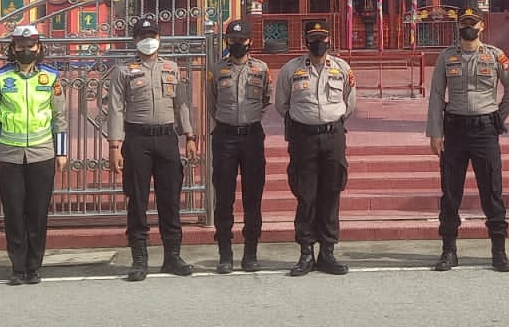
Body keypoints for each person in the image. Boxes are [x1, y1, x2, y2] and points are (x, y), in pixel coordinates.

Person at [427, 7, 509, 273]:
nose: (468, 28)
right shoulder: (447, 57)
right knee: (450, 193)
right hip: (454, 130)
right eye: (464, 23)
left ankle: (499, 251)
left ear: (481, 26)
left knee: (491, 190)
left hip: (484, 132)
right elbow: (436, 95)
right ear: (459, 28)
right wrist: (435, 132)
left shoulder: (495, 56)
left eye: (473, 23)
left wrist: (496, 117)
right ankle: (448, 251)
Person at [104, 18, 197, 282]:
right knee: (138, 201)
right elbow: (116, 109)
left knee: (170, 200)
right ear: (135, 40)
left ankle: (173, 256)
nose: (148, 40)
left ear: (159, 38)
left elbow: (182, 104)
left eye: (152, 35)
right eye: (143, 35)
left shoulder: (172, 68)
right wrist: (114, 145)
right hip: (137, 140)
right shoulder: (124, 71)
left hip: (167, 139)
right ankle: (139, 259)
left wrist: (189, 135)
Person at [0, 24, 69, 286]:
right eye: (21, 46)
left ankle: (34, 266)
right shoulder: (0, 78)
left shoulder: (51, 78)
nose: (26, 50)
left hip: (42, 153)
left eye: (31, 46)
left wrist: (61, 151)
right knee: (14, 212)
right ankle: (17, 266)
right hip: (8, 154)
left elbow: (59, 117)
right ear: (13, 48)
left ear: (39, 47)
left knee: (38, 212)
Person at [275, 19, 356, 277]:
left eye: (322, 38)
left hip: (333, 136)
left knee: (332, 192)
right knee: (306, 194)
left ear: (329, 40)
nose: (319, 43)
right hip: (304, 138)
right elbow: (281, 105)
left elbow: (349, 103)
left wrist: (328, 120)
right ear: (306, 42)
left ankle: (328, 252)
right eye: (314, 38)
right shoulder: (290, 70)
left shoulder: (342, 68)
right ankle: (306, 252)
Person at [206, 18, 271, 274]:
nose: (237, 45)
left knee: (253, 197)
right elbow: (212, 102)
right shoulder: (216, 69)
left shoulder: (262, 69)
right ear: (226, 42)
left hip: (252, 136)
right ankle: (225, 254)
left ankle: (251, 252)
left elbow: (265, 99)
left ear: (250, 41)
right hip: (225, 136)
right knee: (224, 197)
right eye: (232, 41)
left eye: (241, 41)